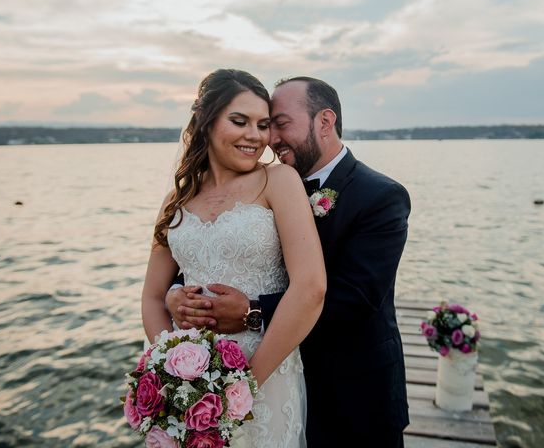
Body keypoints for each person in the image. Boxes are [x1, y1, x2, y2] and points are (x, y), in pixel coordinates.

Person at [168, 76, 411, 446]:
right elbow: (206, 257)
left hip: (352, 392)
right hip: (278, 378)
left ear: (324, 123)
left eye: (278, 124)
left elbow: (356, 297)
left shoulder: (381, 196)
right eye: (266, 125)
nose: (270, 139)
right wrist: (174, 295)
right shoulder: (264, 186)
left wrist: (252, 311)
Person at [141, 69, 326, 448]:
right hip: (192, 387)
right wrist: (175, 376)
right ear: (206, 123)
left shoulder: (279, 180)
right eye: (239, 121)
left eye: (262, 125)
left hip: (265, 373)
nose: (255, 136)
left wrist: (240, 391)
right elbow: (152, 296)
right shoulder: (175, 202)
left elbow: (311, 289)